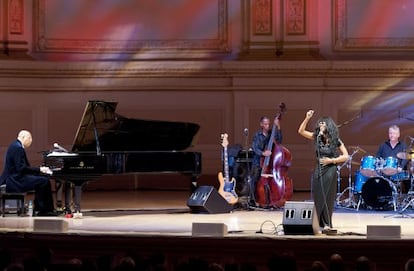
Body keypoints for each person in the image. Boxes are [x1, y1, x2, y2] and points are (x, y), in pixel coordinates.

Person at [298, 110, 349, 232]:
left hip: (330, 170)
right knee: (318, 195)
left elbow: (346, 156)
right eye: (319, 123)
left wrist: (332, 161)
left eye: (323, 123)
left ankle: (326, 223)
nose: (321, 125)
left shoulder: (336, 140)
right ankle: (316, 222)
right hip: (319, 169)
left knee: (327, 197)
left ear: (329, 125)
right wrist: (307, 118)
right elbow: (301, 131)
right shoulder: (317, 137)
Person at [0, 130, 57, 216]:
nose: (31, 140)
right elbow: (21, 168)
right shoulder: (18, 148)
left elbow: (22, 168)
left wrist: (38, 171)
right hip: (15, 180)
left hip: (15, 178)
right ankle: (43, 210)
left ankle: (41, 209)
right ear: (23, 137)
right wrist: (39, 170)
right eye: (29, 138)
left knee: (42, 180)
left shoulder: (15, 145)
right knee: (43, 181)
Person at [250, 116, 282, 207]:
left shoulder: (272, 133)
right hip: (258, 162)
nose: (267, 126)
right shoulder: (257, 135)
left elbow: (279, 140)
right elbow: (254, 148)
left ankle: (270, 200)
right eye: (265, 124)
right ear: (261, 124)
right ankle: (253, 201)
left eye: (268, 124)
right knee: (255, 181)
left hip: (269, 163)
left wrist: (278, 126)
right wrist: (263, 153)